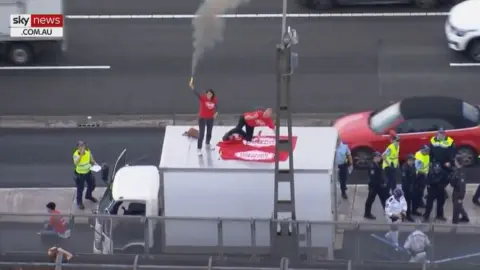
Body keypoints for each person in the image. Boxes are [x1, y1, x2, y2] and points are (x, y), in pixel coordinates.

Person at [190, 86, 218, 156]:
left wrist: (216, 113)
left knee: (209, 132)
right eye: (208, 94)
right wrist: (192, 87)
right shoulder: (202, 98)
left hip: (210, 118)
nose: (209, 95)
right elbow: (196, 94)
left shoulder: (214, 100)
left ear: (212, 95)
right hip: (202, 118)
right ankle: (199, 149)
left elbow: (216, 107)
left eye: (210, 94)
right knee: (201, 134)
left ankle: (207, 144)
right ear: (206, 94)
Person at [73, 141, 98, 209]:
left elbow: (92, 160)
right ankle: (79, 202)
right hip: (80, 175)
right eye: (80, 147)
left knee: (92, 184)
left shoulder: (88, 152)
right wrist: (81, 155)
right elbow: (76, 162)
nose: (82, 148)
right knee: (80, 189)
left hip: (88, 172)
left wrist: (95, 163)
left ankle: (88, 196)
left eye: (83, 146)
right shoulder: (76, 154)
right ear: (78, 148)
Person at [364, 152, 388, 220]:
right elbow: (373, 178)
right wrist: (380, 184)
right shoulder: (372, 166)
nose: (380, 158)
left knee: (384, 198)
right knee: (370, 200)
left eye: (380, 157)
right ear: (375, 158)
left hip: (379, 185)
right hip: (374, 186)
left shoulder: (377, 163)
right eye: (379, 157)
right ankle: (367, 214)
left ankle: (387, 211)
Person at [450, 155, 470, 224]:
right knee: (458, 206)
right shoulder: (457, 170)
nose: (454, 162)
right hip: (456, 191)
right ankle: (465, 217)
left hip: (458, 193)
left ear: (457, 162)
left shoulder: (461, 173)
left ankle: (455, 222)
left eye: (455, 160)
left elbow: (462, 186)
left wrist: (460, 197)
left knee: (456, 208)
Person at [412, 145, 430, 215]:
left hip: (424, 174)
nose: (427, 152)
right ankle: (416, 205)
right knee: (418, 191)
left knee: (422, 189)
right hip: (419, 176)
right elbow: (417, 169)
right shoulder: (418, 157)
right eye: (426, 150)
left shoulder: (426, 155)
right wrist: (424, 173)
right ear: (422, 150)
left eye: (428, 150)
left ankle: (420, 201)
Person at [401, 154, 416, 222]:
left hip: (411, 186)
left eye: (413, 160)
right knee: (407, 202)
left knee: (409, 201)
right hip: (407, 187)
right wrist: (409, 188)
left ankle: (407, 214)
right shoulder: (405, 167)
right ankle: (407, 215)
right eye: (411, 160)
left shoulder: (412, 166)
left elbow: (414, 176)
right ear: (408, 160)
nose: (412, 161)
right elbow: (405, 179)